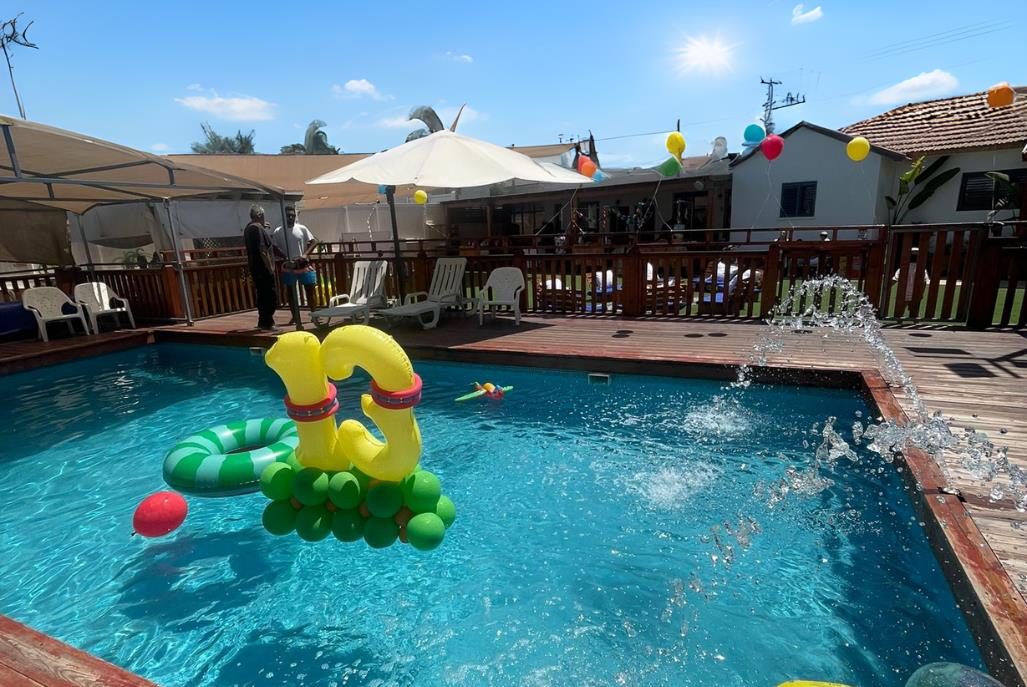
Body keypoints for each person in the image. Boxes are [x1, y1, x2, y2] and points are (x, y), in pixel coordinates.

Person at [273, 205, 320, 325]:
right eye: (288, 215)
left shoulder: (302, 228)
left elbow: (315, 241)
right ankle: (295, 316)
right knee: (291, 292)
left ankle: (314, 314)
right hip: (288, 265)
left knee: (310, 290)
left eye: (293, 216)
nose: (291, 218)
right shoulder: (278, 231)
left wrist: (305, 254)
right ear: (284, 216)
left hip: (303, 264)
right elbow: (274, 247)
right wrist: (284, 256)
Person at [243, 204, 279, 332]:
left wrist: (262, 227)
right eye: (263, 216)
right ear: (259, 215)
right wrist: (270, 267)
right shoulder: (257, 229)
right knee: (270, 296)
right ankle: (268, 323)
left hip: (255, 268)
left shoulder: (249, 228)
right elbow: (263, 250)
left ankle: (262, 321)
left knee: (262, 295)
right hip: (263, 269)